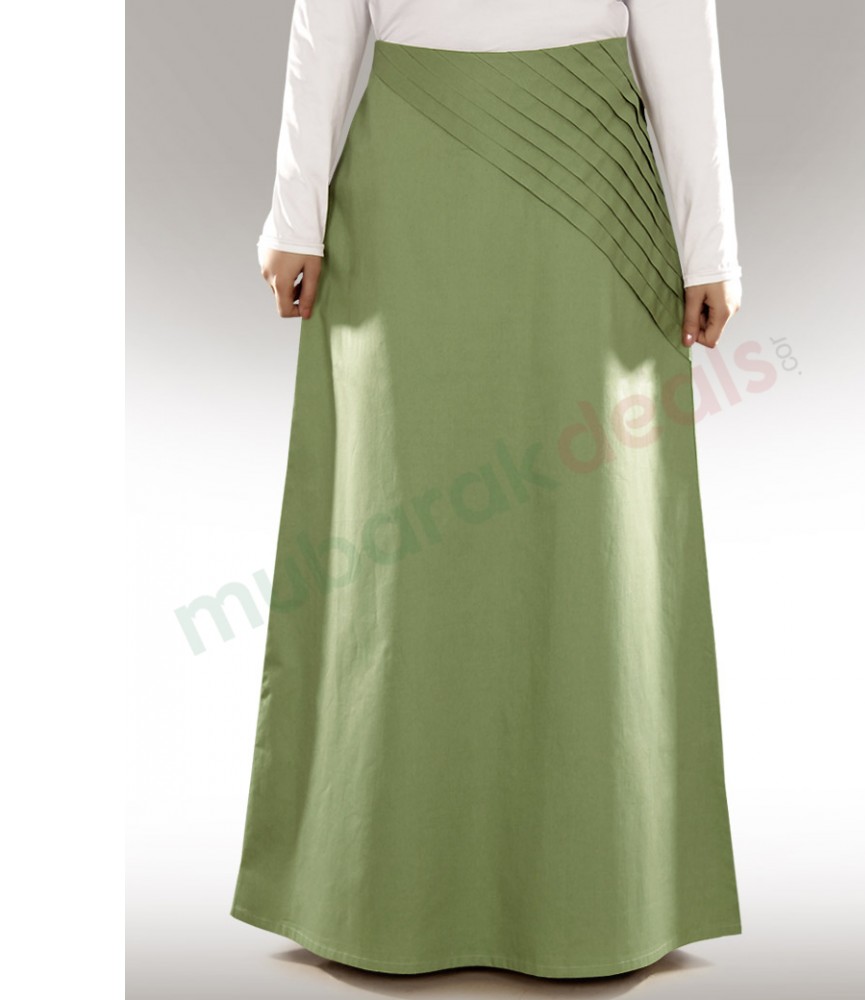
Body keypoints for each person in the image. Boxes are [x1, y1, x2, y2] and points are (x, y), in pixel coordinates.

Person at [232, 0, 744, 979]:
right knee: (396, 519)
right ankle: (380, 882)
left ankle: (599, 889)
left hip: (590, 189)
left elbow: (679, 21)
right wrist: (293, 209)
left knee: (593, 525)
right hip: (409, 181)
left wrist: (709, 241)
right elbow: (327, 15)